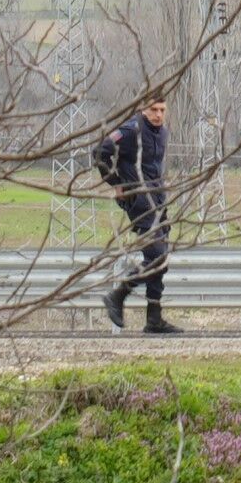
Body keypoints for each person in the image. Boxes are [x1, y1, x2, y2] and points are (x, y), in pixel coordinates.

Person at [96, 92, 174, 333]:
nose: (159, 115)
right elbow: (100, 153)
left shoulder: (161, 132)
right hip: (140, 202)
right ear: (143, 108)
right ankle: (118, 295)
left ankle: (154, 319)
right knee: (158, 257)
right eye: (154, 110)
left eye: (162, 110)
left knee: (160, 261)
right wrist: (116, 183)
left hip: (158, 200)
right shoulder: (131, 130)